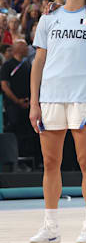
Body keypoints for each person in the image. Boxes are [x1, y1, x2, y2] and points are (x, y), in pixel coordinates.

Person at [27, 0, 86, 243]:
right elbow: (38, 62)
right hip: (50, 97)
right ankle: (50, 226)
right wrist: (34, 102)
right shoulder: (50, 18)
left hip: (81, 97)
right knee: (50, 163)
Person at [1, 39, 34, 167]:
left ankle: (28, 162)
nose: (28, 49)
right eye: (25, 47)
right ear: (19, 48)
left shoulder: (27, 65)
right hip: (13, 107)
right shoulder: (7, 65)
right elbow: (4, 85)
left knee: (28, 134)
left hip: (27, 105)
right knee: (15, 133)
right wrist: (17, 101)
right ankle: (14, 161)